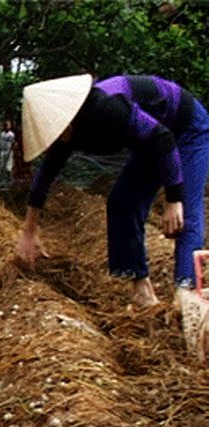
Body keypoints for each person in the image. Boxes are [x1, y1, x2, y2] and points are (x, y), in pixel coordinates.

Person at [16, 74, 209, 306]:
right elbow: (45, 176)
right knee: (121, 203)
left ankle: (186, 293)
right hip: (152, 141)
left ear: (65, 121)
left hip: (185, 128)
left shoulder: (106, 109)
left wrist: (173, 199)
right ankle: (142, 289)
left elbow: (163, 139)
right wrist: (28, 230)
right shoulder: (66, 134)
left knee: (185, 214)